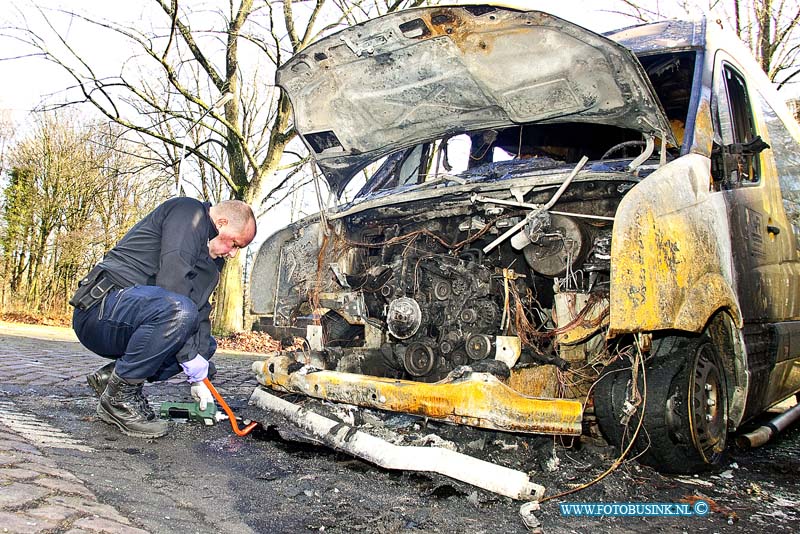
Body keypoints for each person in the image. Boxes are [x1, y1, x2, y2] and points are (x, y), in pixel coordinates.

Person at [70, 197, 257, 438]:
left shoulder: (210, 261)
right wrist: (188, 357)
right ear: (220, 222)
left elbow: (198, 312)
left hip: (138, 319)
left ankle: (112, 379)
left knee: (204, 345)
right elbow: (173, 282)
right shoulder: (189, 213)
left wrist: (200, 376)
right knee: (179, 312)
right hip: (100, 310)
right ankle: (119, 400)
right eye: (234, 244)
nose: (232, 254)